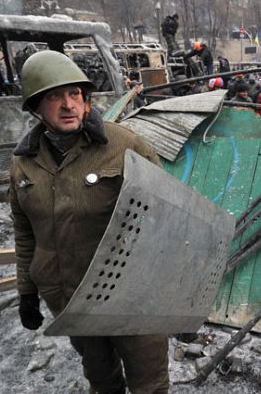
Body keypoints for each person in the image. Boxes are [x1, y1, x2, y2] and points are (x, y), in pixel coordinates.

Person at [10, 50, 169, 394]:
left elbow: (168, 221)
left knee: (149, 385)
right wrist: (27, 292)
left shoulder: (123, 145)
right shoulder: (22, 164)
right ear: (36, 107)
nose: (68, 104)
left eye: (75, 94)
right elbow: (25, 232)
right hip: (69, 296)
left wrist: (178, 300)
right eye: (55, 96)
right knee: (100, 378)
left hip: (131, 296)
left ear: (85, 100)